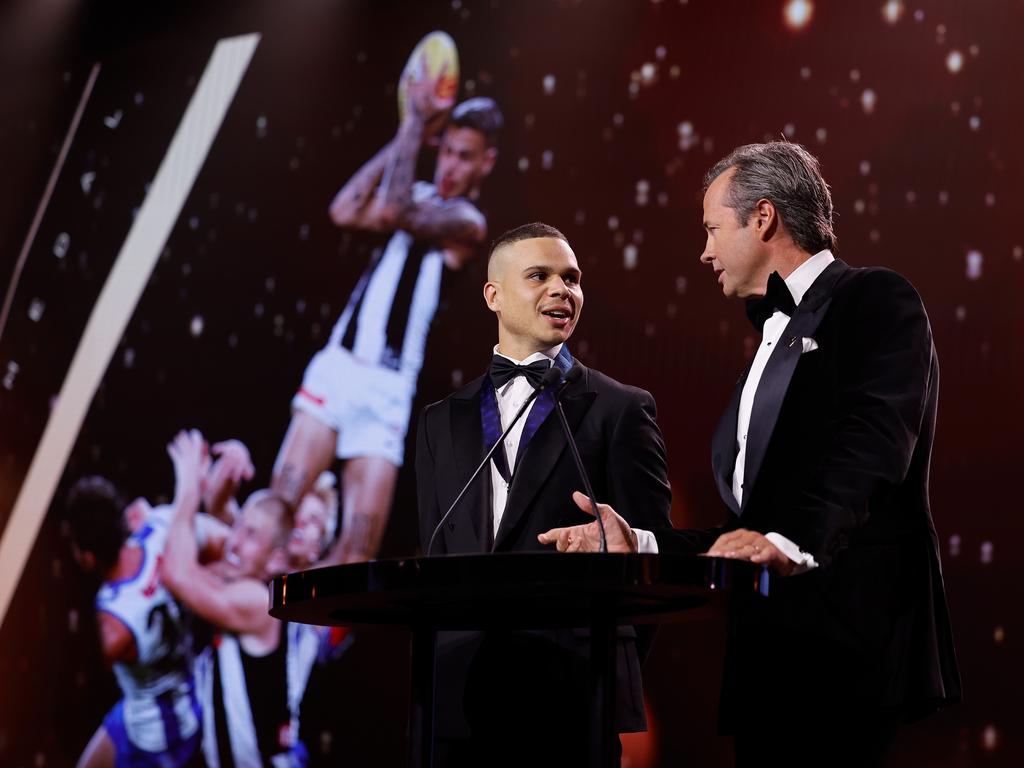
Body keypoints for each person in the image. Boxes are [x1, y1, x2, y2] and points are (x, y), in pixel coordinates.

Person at [540, 142, 962, 765]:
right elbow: (747, 532)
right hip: (770, 655)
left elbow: (873, 445)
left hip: (850, 648)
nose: (704, 251)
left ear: (762, 218)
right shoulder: (769, 338)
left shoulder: (878, 298)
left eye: (712, 229)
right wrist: (644, 543)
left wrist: (790, 542)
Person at [416, 222, 672, 765]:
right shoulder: (441, 422)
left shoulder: (620, 409)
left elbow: (657, 568)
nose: (563, 290)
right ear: (495, 295)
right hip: (459, 694)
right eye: (540, 276)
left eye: (572, 279)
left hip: (574, 693)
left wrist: (607, 668)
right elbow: (435, 561)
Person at [273, 62, 503, 567]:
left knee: (358, 551)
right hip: (341, 363)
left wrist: (413, 125)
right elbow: (343, 210)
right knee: (277, 507)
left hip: (389, 389)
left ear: (486, 163)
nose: (447, 166)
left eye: (463, 157)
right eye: (444, 151)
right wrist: (409, 129)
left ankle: (305, 645)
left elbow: (395, 210)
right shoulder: (418, 195)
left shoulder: (467, 222)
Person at [161, 430, 319, 768]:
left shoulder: (257, 602)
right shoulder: (252, 577)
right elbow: (220, 523)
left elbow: (177, 572)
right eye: (239, 527)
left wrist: (188, 483)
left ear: (276, 559)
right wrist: (224, 478)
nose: (235, 541)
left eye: (250, 534)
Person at [65, 476, 205, 768]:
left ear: (88, 558)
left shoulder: (113, 627)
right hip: (145, 705)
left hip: (158, 736)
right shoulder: (159, 530)